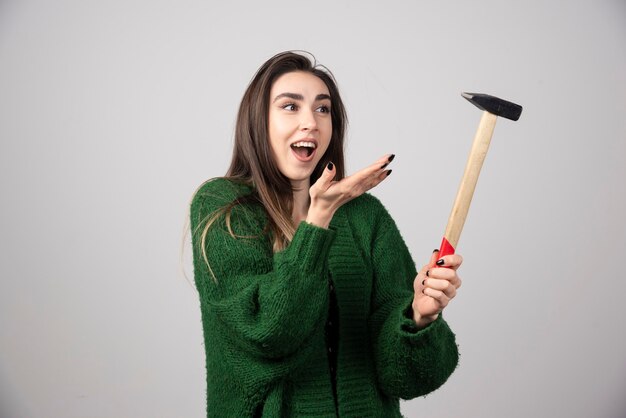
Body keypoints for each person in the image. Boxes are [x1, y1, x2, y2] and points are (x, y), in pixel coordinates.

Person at [189, 51, 463, 417]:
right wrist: (318, 219)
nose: (311, 123)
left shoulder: (366, 217)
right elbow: (268, 334)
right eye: (290, 107)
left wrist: (419, 317)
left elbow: (406, 379)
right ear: (258, 122)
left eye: (323, 109)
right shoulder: (223, 207)